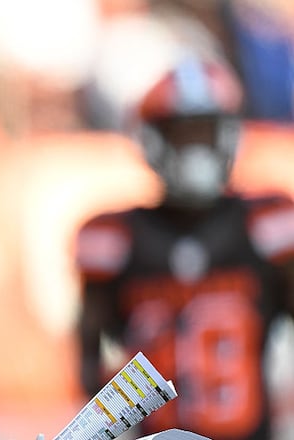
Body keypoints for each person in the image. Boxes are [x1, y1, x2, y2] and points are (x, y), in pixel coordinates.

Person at [75, 54, 294, 440]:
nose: (195, 151)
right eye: (182, 134)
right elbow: (89, 365)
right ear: (151, 138)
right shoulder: (114, 238)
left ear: (229, 134)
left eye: (204, 133)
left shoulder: (269, 224)